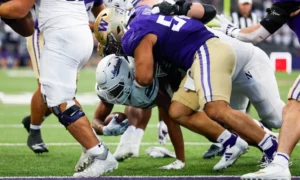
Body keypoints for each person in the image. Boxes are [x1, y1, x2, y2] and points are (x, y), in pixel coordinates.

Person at [122, 0, 278, 171]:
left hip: (207, 50)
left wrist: (132, 88)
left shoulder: (136, 29)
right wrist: (179, 161)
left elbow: (144, 79)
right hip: (198, 57)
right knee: (178, 110)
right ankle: (232, 142)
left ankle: (271, 145)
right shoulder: (149, 16)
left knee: (216, 109)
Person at [0, 0, 118, 177]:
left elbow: (18, 10)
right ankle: (90, 145)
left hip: (63, 36)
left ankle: (100, 155)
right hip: (76, 34)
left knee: (59, 101)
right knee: (59, 96)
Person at [213, 1, 300, 179]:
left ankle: (280, 164)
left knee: (293, 107)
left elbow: (256, 36)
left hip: (250, 61)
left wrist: (232, 30)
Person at [22, 0, 105, 154]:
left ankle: (34, 119)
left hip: (71, 38)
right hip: (44, 34)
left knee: (66, 94)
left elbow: (103, 19)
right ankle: (34, 131)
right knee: (46, 85)